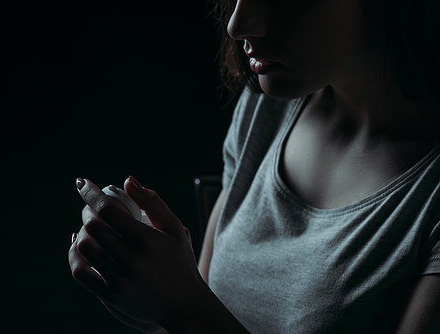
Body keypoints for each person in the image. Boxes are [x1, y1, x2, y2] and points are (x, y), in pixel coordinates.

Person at [68, 0, 440, 332]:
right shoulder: (267, 109)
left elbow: (197, 311)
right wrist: (153, 303)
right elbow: (205, 306)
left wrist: (183, 307)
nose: (237, 23)